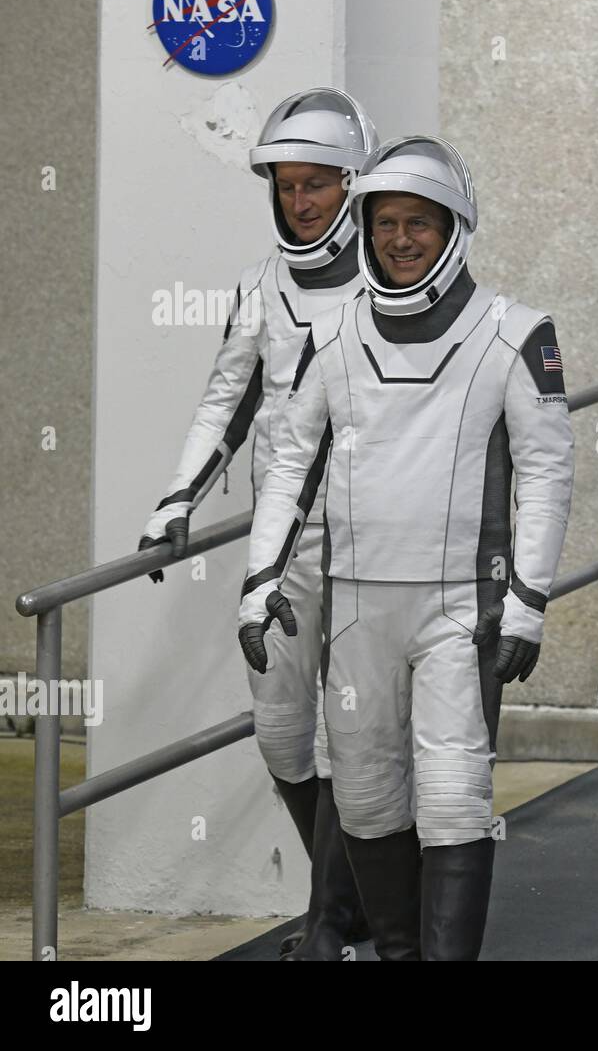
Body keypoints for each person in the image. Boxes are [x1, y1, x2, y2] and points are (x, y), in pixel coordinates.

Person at [237, 136, 575, 960]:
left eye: (417, 222)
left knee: (457, 796)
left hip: (461, 608)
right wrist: (258, 580)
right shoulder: (335, 332)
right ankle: (395, 952)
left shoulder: (516, 333)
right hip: (356, 612)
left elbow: (549, 472)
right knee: (365, 798)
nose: (399, 239)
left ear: (454, 226)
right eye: (384, 223)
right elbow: (289, 461)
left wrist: (528, 602)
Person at [138, 88, 377, 961]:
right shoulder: (261, 287)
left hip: (374, 544)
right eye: (288, 185)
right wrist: (175, 500)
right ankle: (351, 911)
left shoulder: (396, 286)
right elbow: (223, 405)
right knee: (283, 736)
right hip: (281, 553)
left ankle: (332, 928)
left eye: (319, 183)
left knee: (360, 742)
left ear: (353, 184)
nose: (302, 201)